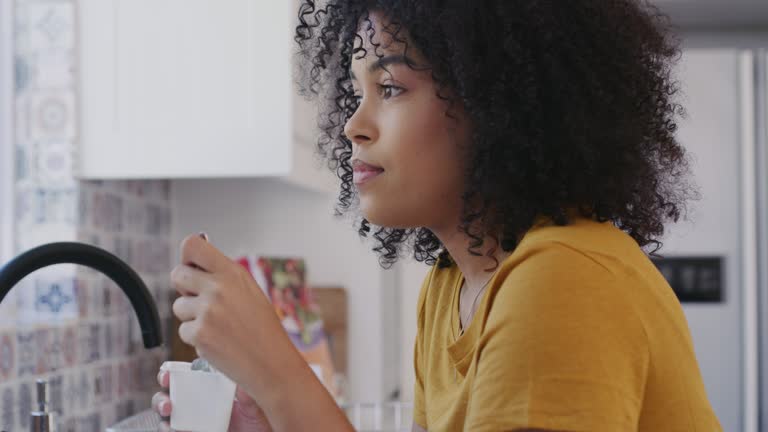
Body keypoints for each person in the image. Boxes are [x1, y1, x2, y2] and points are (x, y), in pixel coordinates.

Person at [153, 0, 723, 430]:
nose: (355, 124)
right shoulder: (453, 286)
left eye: (392, 88)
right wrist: (275, 417)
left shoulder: (562, 280)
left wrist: (280, 376)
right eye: (356, 93)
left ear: (495, 103)